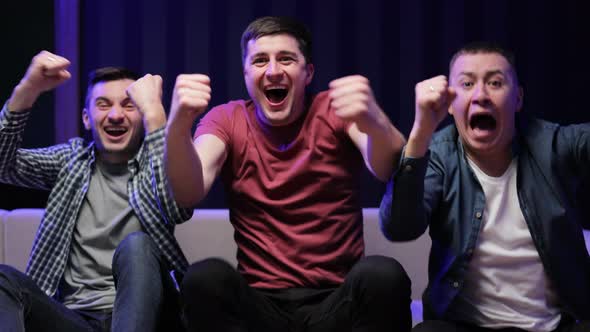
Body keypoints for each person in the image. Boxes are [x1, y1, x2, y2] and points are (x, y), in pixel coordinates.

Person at [164, 16, 411, 331]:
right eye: (260, 61)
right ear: (246, 73)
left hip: (335, 302)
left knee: (383, 274)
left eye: (286, 59)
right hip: (261, 307)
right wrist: (178, 125)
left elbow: (387, 166)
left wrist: (373, 117)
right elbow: (189, 190)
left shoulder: (334, 110)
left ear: (307, 72)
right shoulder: (226, 119)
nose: (273, 71)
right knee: (204, 278)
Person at [379, 41, 590, 331]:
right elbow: (399, 228)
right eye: (466, 84)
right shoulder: (440, 156)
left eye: (495, 82)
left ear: (518, 98)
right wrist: (420, 133)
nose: (481, 95)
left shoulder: (553, 145)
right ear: (450, 104)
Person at [0, 51, 191, 332]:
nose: (115, 115)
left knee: (136, 245)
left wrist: (155, 115)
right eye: (104, 105)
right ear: (87, 119)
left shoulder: (158, 164)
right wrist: (27, 89)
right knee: (4, 279)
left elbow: (178, 209)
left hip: (148, 318)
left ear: (142, 115)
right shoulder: (69, 161)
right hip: (75, 319)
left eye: (129, 105)